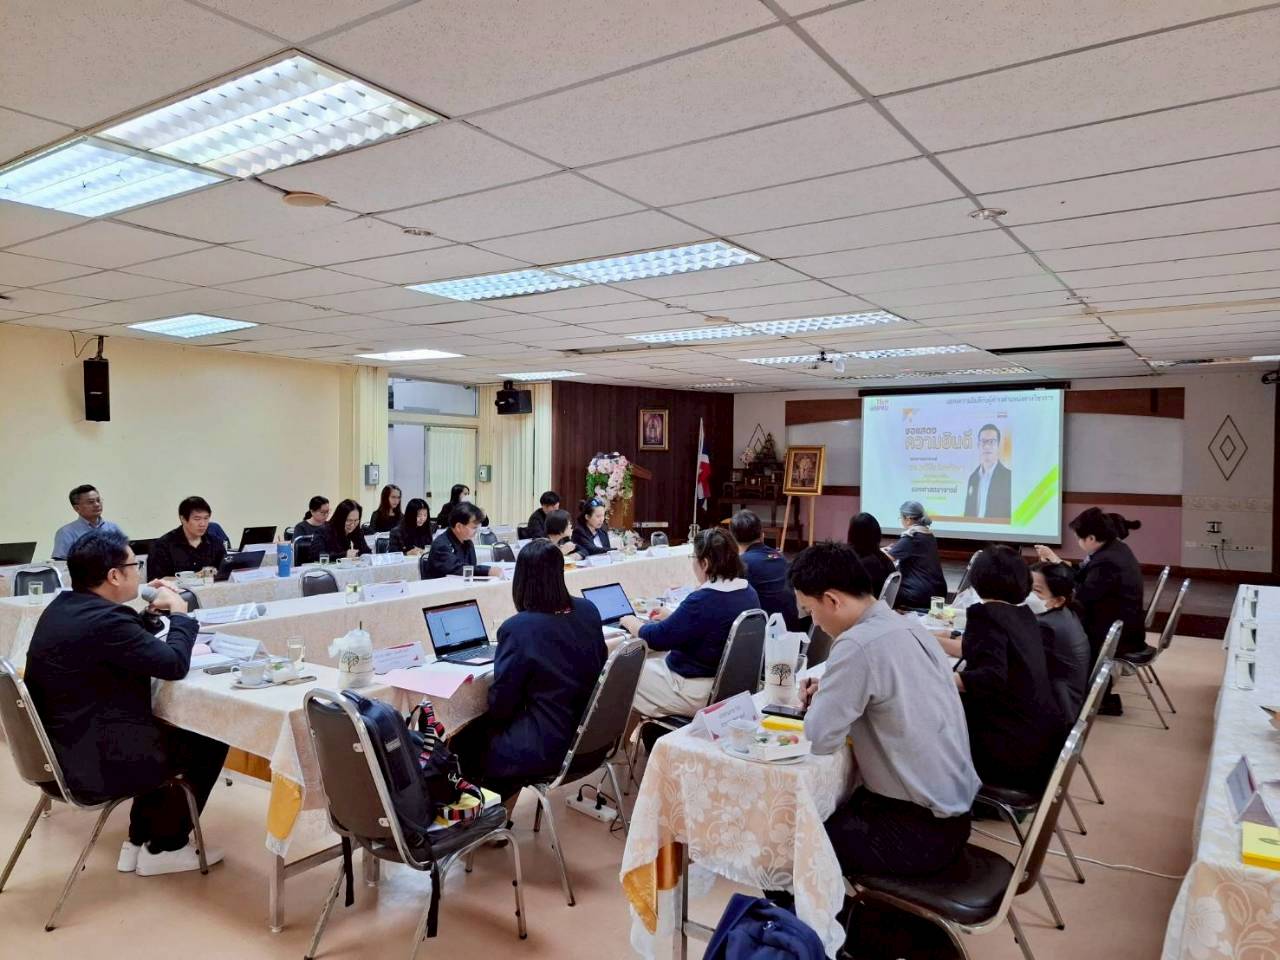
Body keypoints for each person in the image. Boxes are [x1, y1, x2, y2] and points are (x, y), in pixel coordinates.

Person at [24, 530, 227, 876]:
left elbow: (122, 640)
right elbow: (174, 664)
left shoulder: (64, 608)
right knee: (209, 738)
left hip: (59, 751)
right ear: (114, 576)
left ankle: (140, 840)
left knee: (158, 731)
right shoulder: (106, 621)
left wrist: (151, 613)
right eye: (135, 566)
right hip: (90, 763)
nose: (140, 573)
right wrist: (181, 615)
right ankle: (165, 847)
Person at [792, 542, 978, 878]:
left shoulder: (856, 643)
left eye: (810, 610)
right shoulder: (907, 625)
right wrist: (837, 691)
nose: (814, 623)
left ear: (832, 600)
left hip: (916, 830)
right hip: (954, 812)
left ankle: (820, 915)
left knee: (788, 842)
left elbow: (819, 738)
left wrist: (828, 698)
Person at [451, 540, 607, 806]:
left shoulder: (519, 628)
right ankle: (500, 813)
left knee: (466, 738)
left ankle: (488, 817)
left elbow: (502, 704)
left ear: (521, 580)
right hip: (593, 737)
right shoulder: (588, 610)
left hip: (550, 746)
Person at [938, 546, 1062, 792]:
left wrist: (938, 677)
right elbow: (986, 654)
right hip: (1039, 743)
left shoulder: (986, 616)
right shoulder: (1023, 614)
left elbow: (990, 679)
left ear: (978, 579)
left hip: (1010, 752)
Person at [620, 528, 760, 718]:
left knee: (620, 672)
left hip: (694, 690)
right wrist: (673, 617)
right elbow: (712, 624)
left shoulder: (702, 599)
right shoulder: (748, 592)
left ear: (705, 563)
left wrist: (631, 622)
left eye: (694, 557)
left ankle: (613, 737)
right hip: (732, 685)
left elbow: (656, 639)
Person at [1035, 507, 1145, 715]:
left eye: (1079, 538)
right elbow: (1083, 579)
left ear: (1092, 538)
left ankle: (1073, 691)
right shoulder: (1114, 550)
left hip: (1116, 630)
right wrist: (1057, 561)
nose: (1078, 542)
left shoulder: (1107, 561)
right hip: (1121, 621)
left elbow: (1082, 594)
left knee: (1057, 627)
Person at [1029, 561, 1092, 725]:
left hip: (1057, 712)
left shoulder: (1045, 626)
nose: (1027, 594)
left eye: (1036, 591)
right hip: (1065, 697)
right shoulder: (1063, 612)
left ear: (1058, 600)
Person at [729, 509, 803, 630]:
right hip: (791, 628)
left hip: (765, 632)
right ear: (762, 535)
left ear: (733, 539)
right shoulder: (780, 557)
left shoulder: (740, 564)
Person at [884, 500, 947, 609]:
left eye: (901, 518)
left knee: (883, 588)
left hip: (919, 594)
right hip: (937, 591)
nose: (901, 521)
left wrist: (879, 551)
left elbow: (885, 559)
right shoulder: (928, 534)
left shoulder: (912, 537)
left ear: (908, 519)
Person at [147, 496, 227, 580]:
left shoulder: (215, 543)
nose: (203, 524)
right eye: (197, 519)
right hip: (176, 589)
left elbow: (226, 572)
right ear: (183, 519)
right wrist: (195, 576)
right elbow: (156, 580)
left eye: (206, 518)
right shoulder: (163, 546)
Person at [52, 484, 123, 560]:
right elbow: (60, 562)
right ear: (77, 508)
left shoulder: (113, 528)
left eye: (98, 500)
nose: (97, 504)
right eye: (91, 502)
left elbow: (125, 554)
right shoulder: (66, 533)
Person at [424, 503, 493, 579]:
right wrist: (487, 571)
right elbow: (457, 569)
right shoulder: (441, 545)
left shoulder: (468, 542)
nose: (476, 531)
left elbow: (471, 568)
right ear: (459, 527)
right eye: (474, 528)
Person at [963, 423, 1012, 519]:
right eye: (983, 441)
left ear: (998, 446)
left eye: (992, 442)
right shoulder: (973, 478)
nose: (987, 446)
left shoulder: (1008, 477)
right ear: (978, 445)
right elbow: (967, 514)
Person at [846, 512, 896, 599]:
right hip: (880, 605)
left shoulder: (857, 563)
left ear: (852, 533)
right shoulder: (883, 559)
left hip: (864, 605)